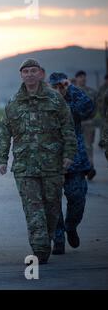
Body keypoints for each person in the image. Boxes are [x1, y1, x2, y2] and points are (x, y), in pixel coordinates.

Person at [0, 59, 77, 264]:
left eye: (34, 71)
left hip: (52, 164)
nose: (30, 74)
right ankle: (40, 248)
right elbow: (5, 133)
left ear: (41, 74)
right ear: (21, 75)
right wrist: (2, 159)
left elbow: (68, 128)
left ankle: (46, 239)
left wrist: (69, 155)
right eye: (26, 71)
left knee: (52, 208)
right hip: (25, 167)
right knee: (33, 208)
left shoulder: (55, 99)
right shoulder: (14, 103)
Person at [48, 72, 94, 255]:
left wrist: (71, 88)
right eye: (55, 86)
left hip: (75, 161)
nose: (59, 89)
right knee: (52, 202)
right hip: (50, 161)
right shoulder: (45, 104)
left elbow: (89, 108)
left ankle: (71, 226)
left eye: (62, 85)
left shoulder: (72, 103)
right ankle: (58, 238)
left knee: (77, 198)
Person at [74, 70, 98, 180]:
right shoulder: (72, 91)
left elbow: (96, 107)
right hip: (75, 123)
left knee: (88, 146)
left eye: (84, 77)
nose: (83, 79)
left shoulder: (91, 92)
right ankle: (79, 168)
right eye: (80, 77)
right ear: (76, 78)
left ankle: (90, 168)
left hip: (88, 122)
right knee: (76, 146)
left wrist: (92, 118)